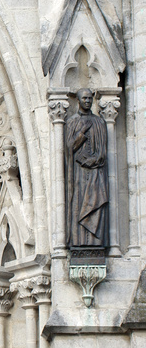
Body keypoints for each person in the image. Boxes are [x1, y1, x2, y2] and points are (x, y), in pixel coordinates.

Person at [64, 89, 109, 250]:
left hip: (95, 171)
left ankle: (95, 241)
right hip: (79, 174)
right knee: (79, 203)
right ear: (78, 100)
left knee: (97, 201)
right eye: (84, 98)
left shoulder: (99, 122)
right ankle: (79, 240)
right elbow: (69, 148)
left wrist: (93, 160)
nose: (88, 101)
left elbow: (103, 150)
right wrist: (81, 132)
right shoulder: (72, 122)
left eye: (90, 98)